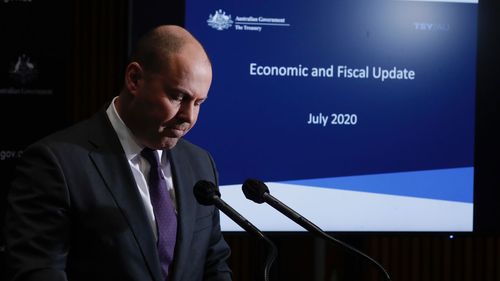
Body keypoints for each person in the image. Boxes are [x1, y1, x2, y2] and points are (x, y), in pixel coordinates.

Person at [3, 25, 232, 281]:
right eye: (178, 96)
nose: (188, 117)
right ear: (134, 79)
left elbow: (214, 264)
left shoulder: (200, 164)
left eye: (198, 103)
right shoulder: (56, 163)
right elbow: (38, 271)